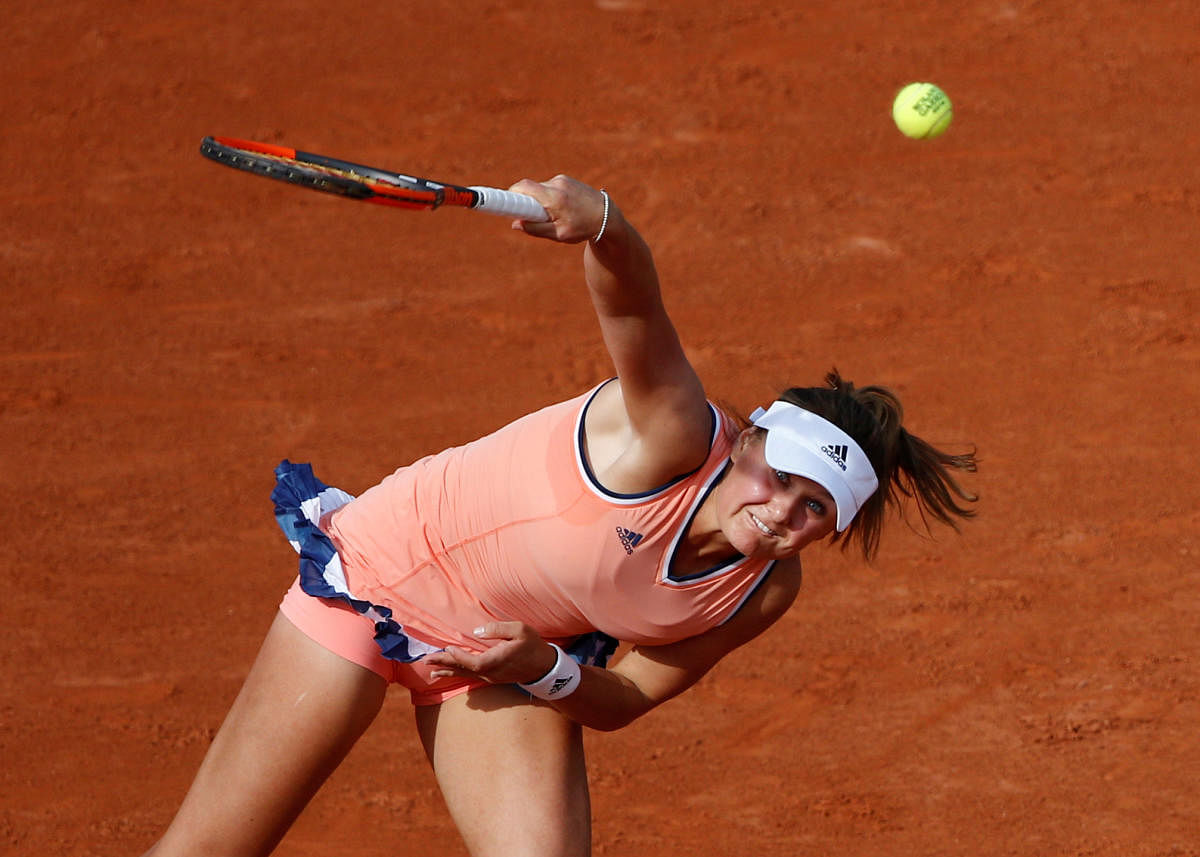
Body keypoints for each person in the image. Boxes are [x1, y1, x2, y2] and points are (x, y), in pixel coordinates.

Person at [142, 175, 976, 857]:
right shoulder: (673, 431)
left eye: (814, 510)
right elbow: (635, 310)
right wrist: (606, 224)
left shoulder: (761, 591)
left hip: (498, 658)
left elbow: (625, 698)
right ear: (750, 440)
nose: (782, 513)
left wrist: (544, 666)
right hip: (379, 581)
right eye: (781, 478)